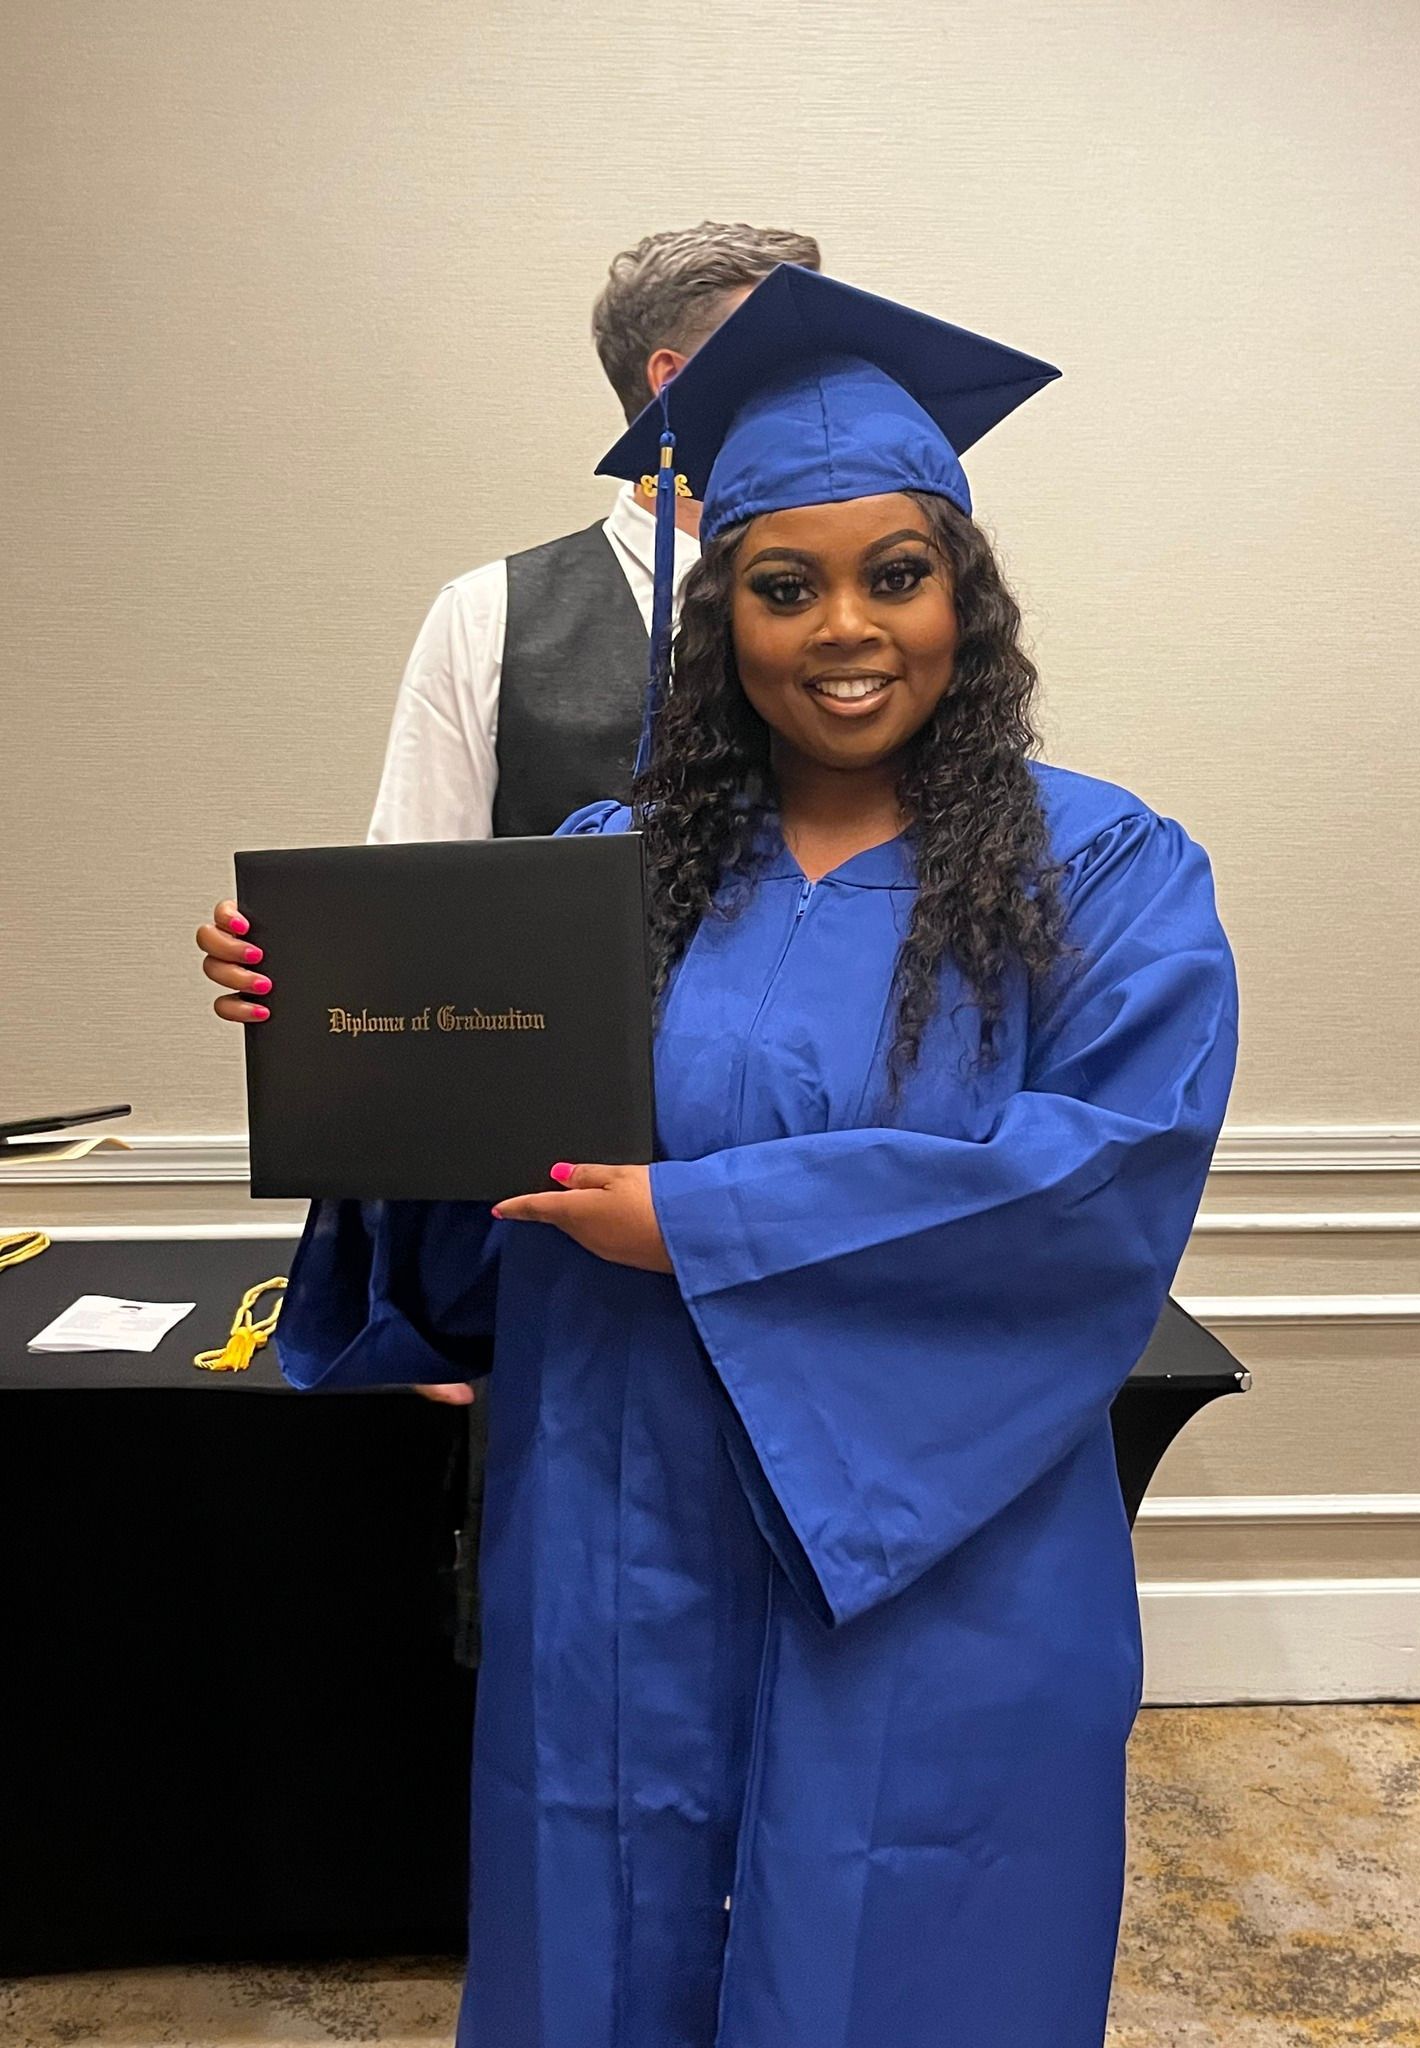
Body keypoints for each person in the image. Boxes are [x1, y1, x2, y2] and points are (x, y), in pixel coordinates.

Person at [258, 267, 1240, 2046]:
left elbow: (1094, 1183)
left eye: (896, 575)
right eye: (785, 586)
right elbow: (467, 1163)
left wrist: (695, 1221)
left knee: (909, 1928)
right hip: (622, 1519)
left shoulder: (1103, 870)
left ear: (966, 594)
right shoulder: (608, 864)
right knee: (605, 1924)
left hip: (936, 1532)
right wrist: (325, 1027)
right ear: (725, 616)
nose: (844, 628)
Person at [197, 218, 820, 1422]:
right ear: (674, 383)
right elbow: (408, 922)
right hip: (554, 1238)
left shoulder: (869, 629)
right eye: (788, 353)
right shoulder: (492, 616)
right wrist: (302, 967)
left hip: (804, 1203)